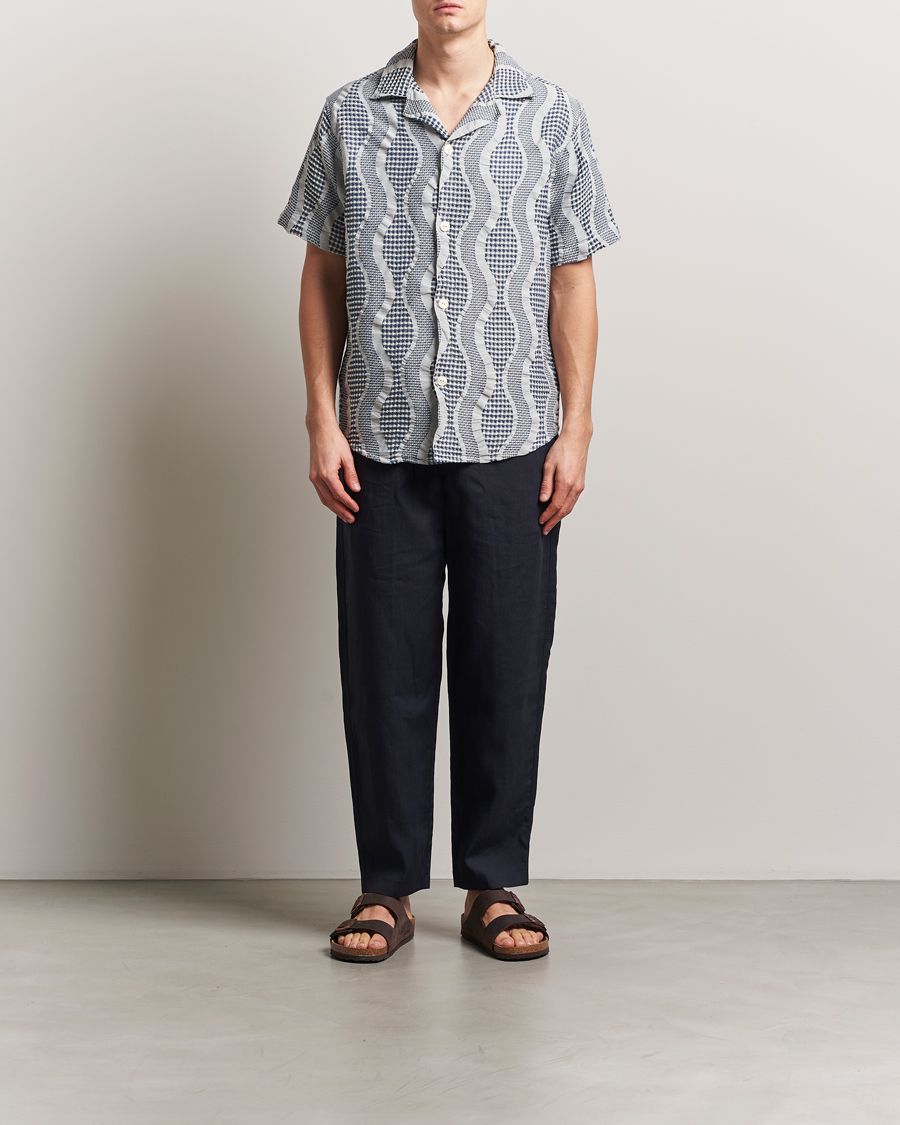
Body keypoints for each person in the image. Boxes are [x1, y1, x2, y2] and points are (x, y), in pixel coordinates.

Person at [278, 0, 619, 963]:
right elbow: (321, 272)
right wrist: (320, 417)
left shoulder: (552, 114)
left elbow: (572, 277)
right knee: (382, 668)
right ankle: (385, 887)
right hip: (378, 440)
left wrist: (578, 426)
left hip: (515, 436)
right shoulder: (350, 113)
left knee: (505, 663)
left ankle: (492, 884)